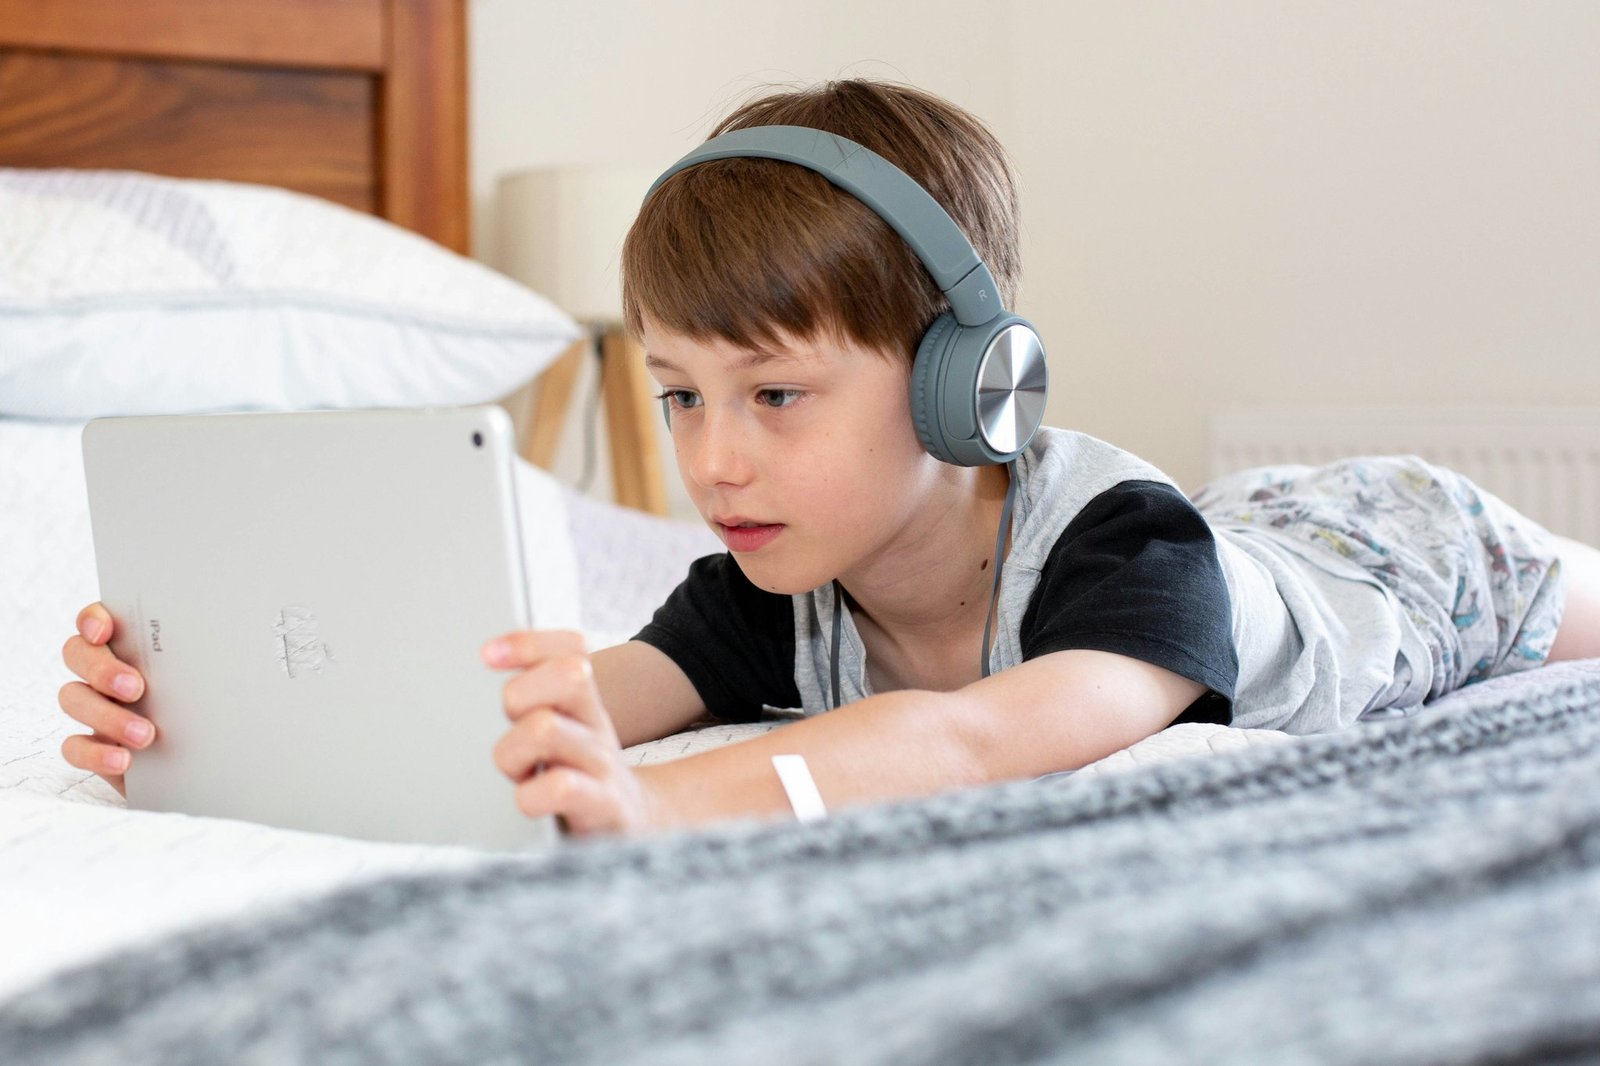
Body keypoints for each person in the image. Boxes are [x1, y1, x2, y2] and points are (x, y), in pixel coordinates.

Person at [58, 80, 1600, 838]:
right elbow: (559, 706)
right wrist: (226, 728)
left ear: (963, 389)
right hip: (1256, 537)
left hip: (1400, 557)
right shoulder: (758, 581)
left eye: (776, 396)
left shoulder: (1131, 558)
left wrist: (663, 808)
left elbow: (970, 742)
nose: (711, 459)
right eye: (675, 395)